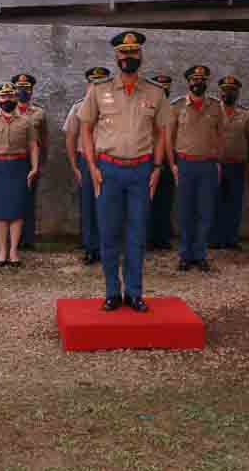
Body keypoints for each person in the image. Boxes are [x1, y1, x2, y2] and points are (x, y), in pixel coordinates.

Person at [77, 31, 169, 312]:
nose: (129, 57)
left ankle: (134, 293)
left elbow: (162, 131)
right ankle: (111, 292)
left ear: (141, 55)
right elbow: (85, 128)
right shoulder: (98, 90)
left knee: (137, 234)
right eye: (123, 53)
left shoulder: (155, 92)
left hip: (141, 171)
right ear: (116, 56)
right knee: (108, 233)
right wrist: (92, 166)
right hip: (109, 171)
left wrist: (157, 167)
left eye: (133, 52)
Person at [169, 65, 223, 272]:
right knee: (185, 212)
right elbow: (169, 138)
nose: (197, 83)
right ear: (188, 82)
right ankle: (185, 254)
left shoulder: (215, 107)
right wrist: (173, 164)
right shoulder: (177, 106)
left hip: (207, 165)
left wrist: (217, 161)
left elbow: (220, 136)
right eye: (194, 80)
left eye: (201, 80)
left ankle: (200, 255)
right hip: (185, 165)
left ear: (206, 82)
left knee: (205, 211)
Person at [0, 83, 39, 267]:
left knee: (17, 210)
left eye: (10, 96)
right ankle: (2, 251)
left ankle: (13, 251)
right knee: (0, 211)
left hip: (19, 166)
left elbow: (33, 145)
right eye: (3, 97)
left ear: (15, 97)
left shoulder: (26, 121)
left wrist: (34, 168)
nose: (7, 100)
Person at [64, 67, 111, 265]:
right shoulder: (79, 108)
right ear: (88, 85)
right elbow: (70, 137)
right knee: (89, 204)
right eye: (93, 83)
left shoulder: (113, 107)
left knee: (110, 204)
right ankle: (91, 248)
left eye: (101, 82)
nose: (96, 87)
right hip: (86, 159)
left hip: (109, 159)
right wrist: (75, 166)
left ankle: (108, 248)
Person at [209, 75, 249, 250]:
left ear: (237, 93)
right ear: (220, 92)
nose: (228, 93)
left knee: (234, 203)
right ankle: (214, 238)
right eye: (225, 90)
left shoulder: (246, 115)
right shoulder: (212, 112)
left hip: (237, 165)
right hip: (216, 164)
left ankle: (231, 239)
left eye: (232, 90)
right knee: (214, 202)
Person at [12, 74, 48, 250]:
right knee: (13, 198)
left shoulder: (39, 113)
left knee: (29, 198)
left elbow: (44, 138)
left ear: (32, 90)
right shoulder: (8, 111)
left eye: (26, 88)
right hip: (13, 159)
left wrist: (41, 161)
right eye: (19, 88)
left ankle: (28, 238)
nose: (23, 91)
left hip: (31, 160)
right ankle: (14, 238)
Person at [147, 74, 176, 251]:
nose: (164, 91)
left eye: (167, 88)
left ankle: (162, 237)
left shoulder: (173, 110)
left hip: (168, 158)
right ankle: (147, 237)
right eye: (161, 88)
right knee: (146, 199)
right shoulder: (147, 108)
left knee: (165, 200)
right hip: (149, 158)